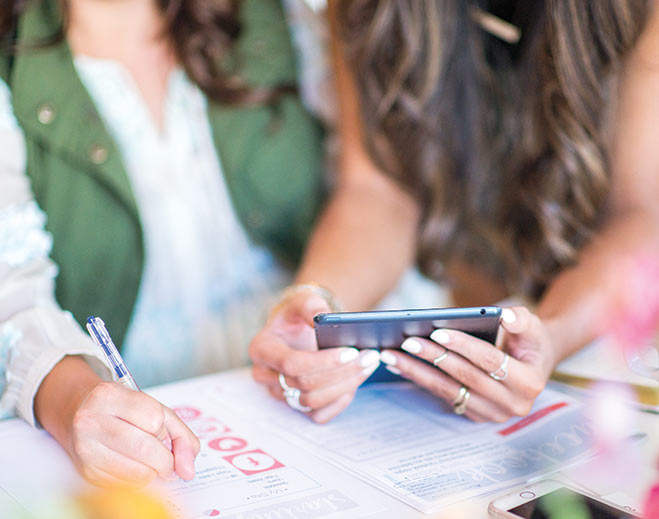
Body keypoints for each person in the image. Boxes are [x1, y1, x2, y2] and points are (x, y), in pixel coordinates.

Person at [249, 0, 659, 423]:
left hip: (600, 322)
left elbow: (641, 213)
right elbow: (378, 191)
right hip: (474, 322)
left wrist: (550, 336)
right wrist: (316, 309)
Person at [0, 0, 336, 485]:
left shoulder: (285, 16)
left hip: (309, 397)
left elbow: (373, 188)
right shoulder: (13, 69)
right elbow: (12, 297)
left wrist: (326, 312)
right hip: (145, 432)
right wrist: (74, 401)